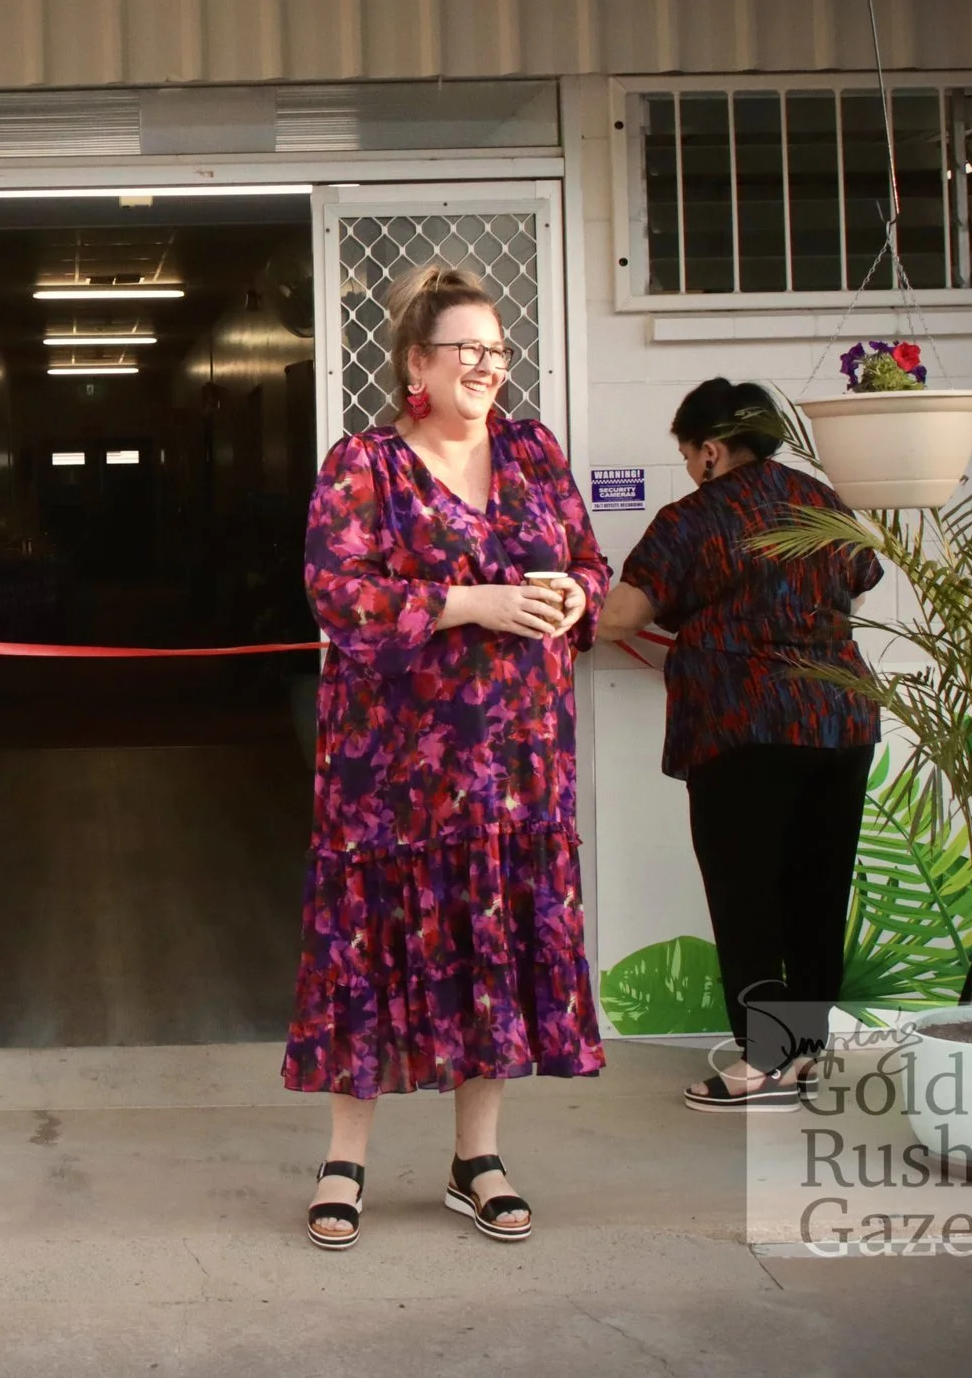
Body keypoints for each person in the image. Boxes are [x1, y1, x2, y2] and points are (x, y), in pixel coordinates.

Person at [287, 264, 608, 1251]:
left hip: (519, 763)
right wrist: (470, 601)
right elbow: (334, 593)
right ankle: (344, 1158)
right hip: (392, 773)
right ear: (415, 362)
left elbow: (589, 562)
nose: (485, 364)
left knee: (495, 941)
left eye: (496, 348)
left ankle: (479, 1155)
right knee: (373, 943)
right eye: (464, 347)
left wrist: (571, 598)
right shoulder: (365, 463)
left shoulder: (532, 450)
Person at [595, 379, 882, 1111]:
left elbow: (624, 613)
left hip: (742, 726)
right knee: (817, 888)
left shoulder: (694, 517)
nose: (692, 464)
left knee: (747, 891)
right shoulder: (819, 500)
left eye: (690, 452)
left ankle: (762, 1061)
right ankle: (806, 1055)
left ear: (713, 449)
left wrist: (546, 603)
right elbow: (863, 575)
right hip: (840, 718)